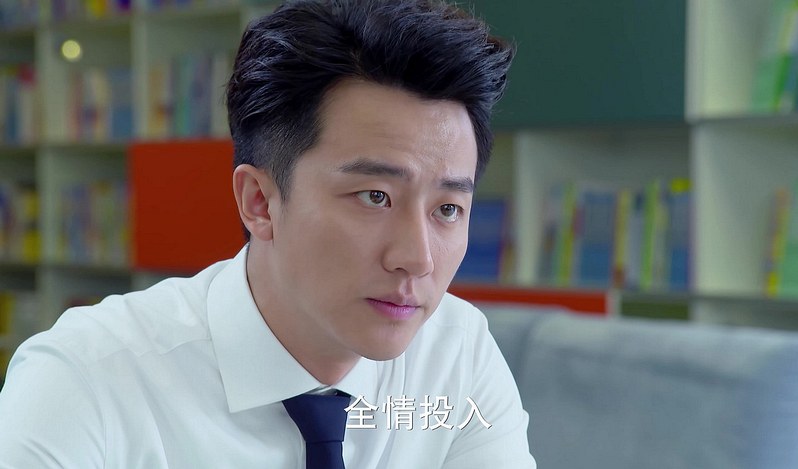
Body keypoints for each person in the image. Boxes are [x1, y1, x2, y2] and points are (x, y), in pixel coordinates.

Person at [0, 0, 535, 467]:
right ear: (259, 202)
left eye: (448, 209)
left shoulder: (457, 354)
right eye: (375, 196)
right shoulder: (84, 382)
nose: (417, 259)